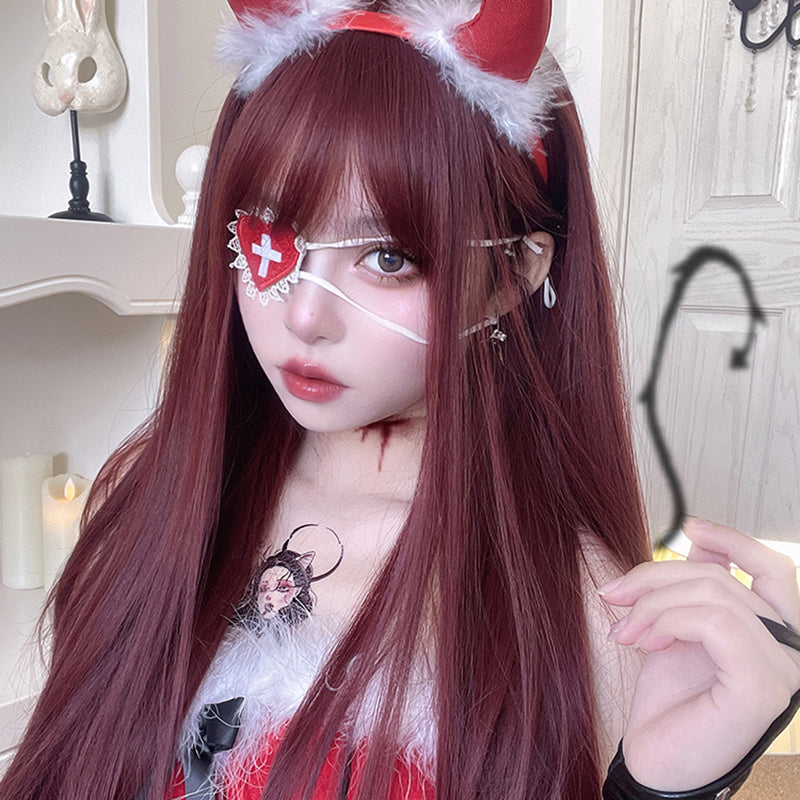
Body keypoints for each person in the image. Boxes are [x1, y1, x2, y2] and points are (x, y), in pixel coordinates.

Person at [3, 2, 799, 799]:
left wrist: (661, 788)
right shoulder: (142, 494)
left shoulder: (571, 602)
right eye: (272, 234)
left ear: (511, 278)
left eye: (388, 257)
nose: (305, 316)